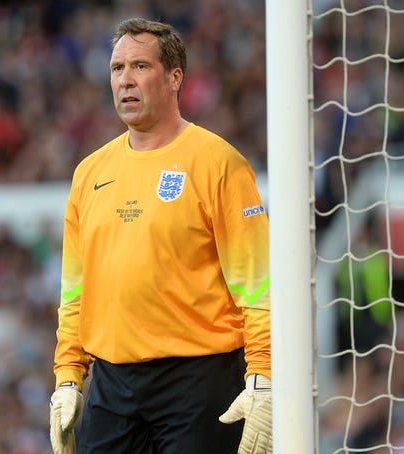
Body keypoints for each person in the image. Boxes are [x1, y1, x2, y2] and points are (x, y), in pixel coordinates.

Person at [49, 17, 272, 454]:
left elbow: (258, 285)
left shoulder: (219, 163)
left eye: (139, 67)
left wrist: (262, 376)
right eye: (116, 69)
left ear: (174, 78)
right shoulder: (89, 173)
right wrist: (68, 377)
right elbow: (75, 290)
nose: (125, 81)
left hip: (199, 380)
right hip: (112, 385)